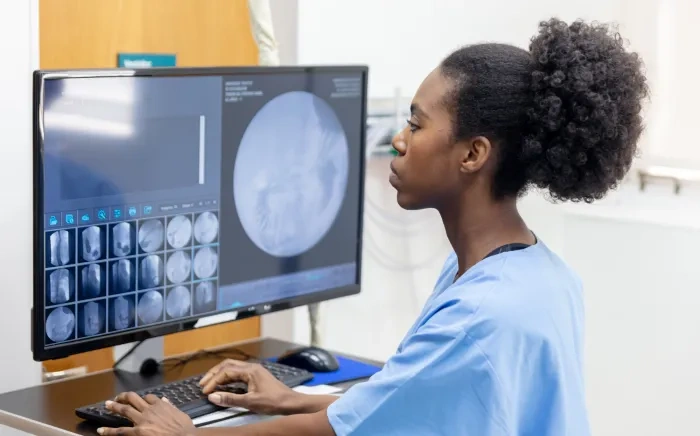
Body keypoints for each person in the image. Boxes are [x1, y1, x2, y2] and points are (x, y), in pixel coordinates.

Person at [97, 17, 648, 436]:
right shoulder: (532, 274)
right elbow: (403, 400)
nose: (399, 141)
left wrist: (184, 433)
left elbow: (338, 433)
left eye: (416, 122)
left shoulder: (480, 315)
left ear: (473, 154)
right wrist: (288, 398)